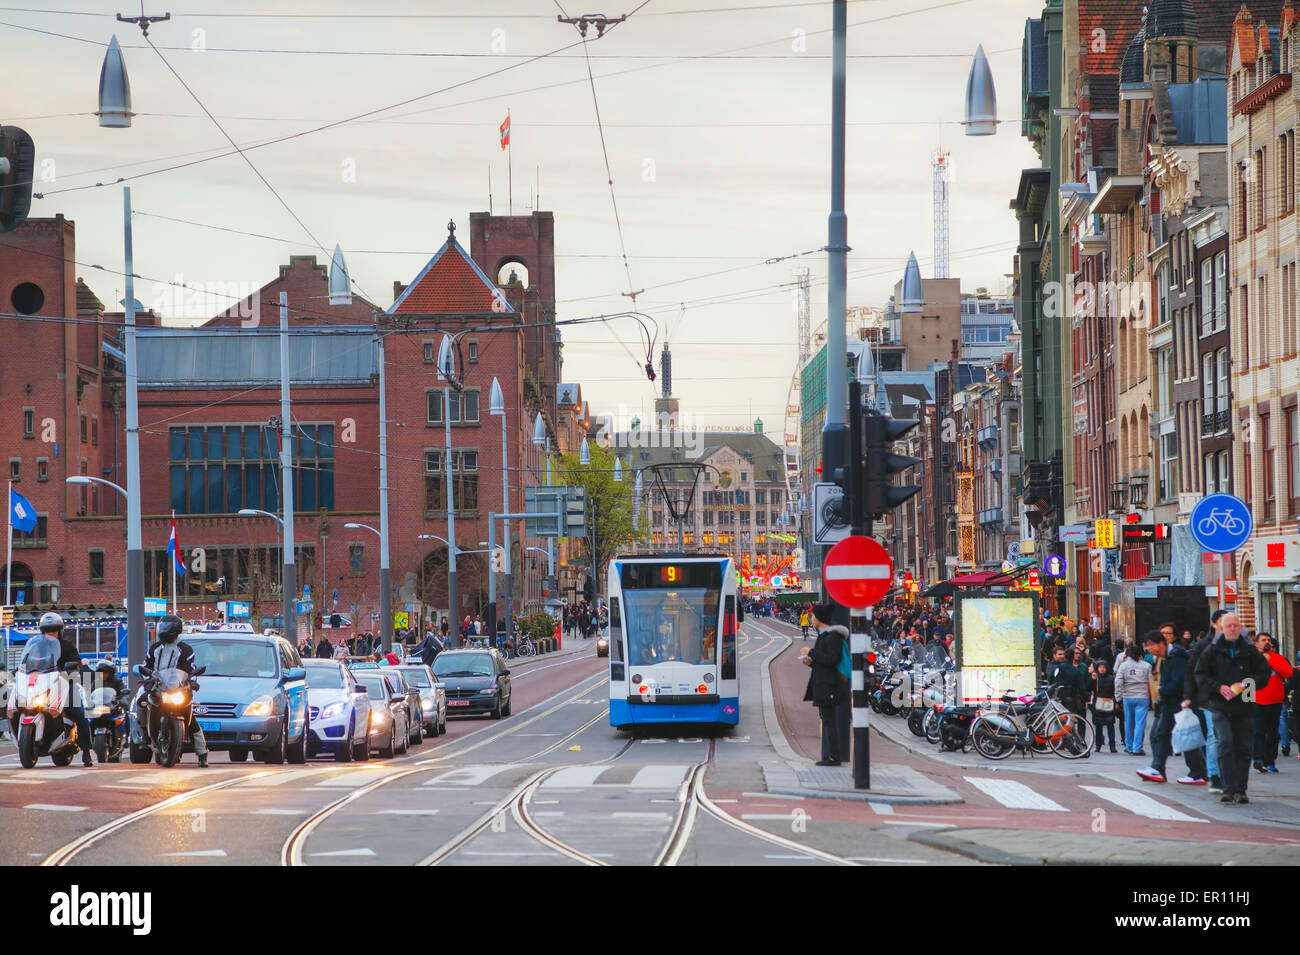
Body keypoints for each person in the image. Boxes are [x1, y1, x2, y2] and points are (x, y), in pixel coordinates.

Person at [1194, 612, 1274, 804]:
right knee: (1225, 743)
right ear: (1220, 628)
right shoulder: (1212, 651)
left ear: (1240, 628)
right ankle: (1227, 788)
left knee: (1243, 748)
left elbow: (1264, 674)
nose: (1232, 629)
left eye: (1235, 626)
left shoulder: (1248, 650)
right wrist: (1218, 687)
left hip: (1244, 705)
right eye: (1228, 626)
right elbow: (1200, 675)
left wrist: (1247, 683)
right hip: (1220, 705)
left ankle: (1240, 789)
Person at [138, 614, 209, 767]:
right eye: (162, 627)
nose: (163, 631)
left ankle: (202, 753)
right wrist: (146, 675)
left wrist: (192, 680)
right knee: (140, 702)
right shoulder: (155, 648)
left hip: (179, 689)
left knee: (190, 719)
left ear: (175, 630)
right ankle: (142, 737)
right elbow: (147, 665)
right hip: (158, 687)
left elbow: (190, 668)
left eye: (166, 628)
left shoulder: (185, 649)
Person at [1138, 631, 1207, 786]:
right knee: (1181, 737)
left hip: (1180, 704)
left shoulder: (1176, 657)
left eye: (1150, 644)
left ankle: (1159, 768)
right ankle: (1197, 772)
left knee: (1164, 735)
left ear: (1161, 643)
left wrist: (1162, 690)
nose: (1148, 648)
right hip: (1171, 704)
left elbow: (1179, 682)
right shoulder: (1164, 658)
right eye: (1146, 645)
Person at [39, 612, 95, 767]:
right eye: (47, 630)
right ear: (42, 632)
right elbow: (28, 660)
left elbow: (75, 660)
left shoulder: (66, 645)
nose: (50, 633)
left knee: (78, 711)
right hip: (42, 684)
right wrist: (19, 670)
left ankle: (86, 751)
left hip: (64, 682)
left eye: (53, 630)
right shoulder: (37, 647)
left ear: (59, 631)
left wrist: (73, 668)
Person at [801, 601, 848, 767]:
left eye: (813, 616)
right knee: (826, 719)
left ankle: (834, 757)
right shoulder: (825, 636)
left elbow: (833, 660)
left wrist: (811, 653)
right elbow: (824, 660)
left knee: (829, 720)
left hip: (829, 685)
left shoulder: (832, 637)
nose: (811, 618)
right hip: (824, 683)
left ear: (820, 618)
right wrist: (810, 662)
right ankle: (831, 756)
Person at [1186, 611, 1225, 791]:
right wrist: (1189, 696)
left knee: (1234, 738)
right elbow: (1193, 672)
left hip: (1236, 699)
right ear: (1215, 624)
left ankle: (1229, 775)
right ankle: (1214, 774)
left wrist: (1249, 697)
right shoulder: (1204, 645)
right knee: (1214, 735)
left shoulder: (1241, 645)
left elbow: (1249, 673)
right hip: (1211, 698)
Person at [1251, 632, 1293, 774]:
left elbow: (1288, 672)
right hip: (1257, 701)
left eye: (1268, 640)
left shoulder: (1277, 658)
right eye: (1263, 640)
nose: (1266, 642)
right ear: (1256, 643)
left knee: (1273, 733)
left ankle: (1270, 761)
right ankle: (1258, 759)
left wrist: (1271, 660)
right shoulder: (1252, 659)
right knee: (1258, 732)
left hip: (1275, 701)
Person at [1114, 644, 1153, 756]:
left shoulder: (1123, 666)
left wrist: (1118, 698)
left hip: (1128, 697)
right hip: (1143, 697)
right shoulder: (1147, 666)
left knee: (1128, 722)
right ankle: (1137, 748)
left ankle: (1129, 746)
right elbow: (1150, 682)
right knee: (1140, 723)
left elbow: (1118, 682)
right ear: (1141, 654)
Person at [1090, 659, 1117, 753]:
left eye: (1104, 667)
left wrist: (1116, 701)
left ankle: (1112, 745)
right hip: (1098, 704)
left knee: (1110, 725)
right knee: (1098, 726)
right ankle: (1098, 745)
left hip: (1109, 703)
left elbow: (1115, 690)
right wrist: (1092, 679)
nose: (1102, 669)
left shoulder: (1112, 678)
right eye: (1100, 667)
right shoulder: (1095, 678)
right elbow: (1089, 688)